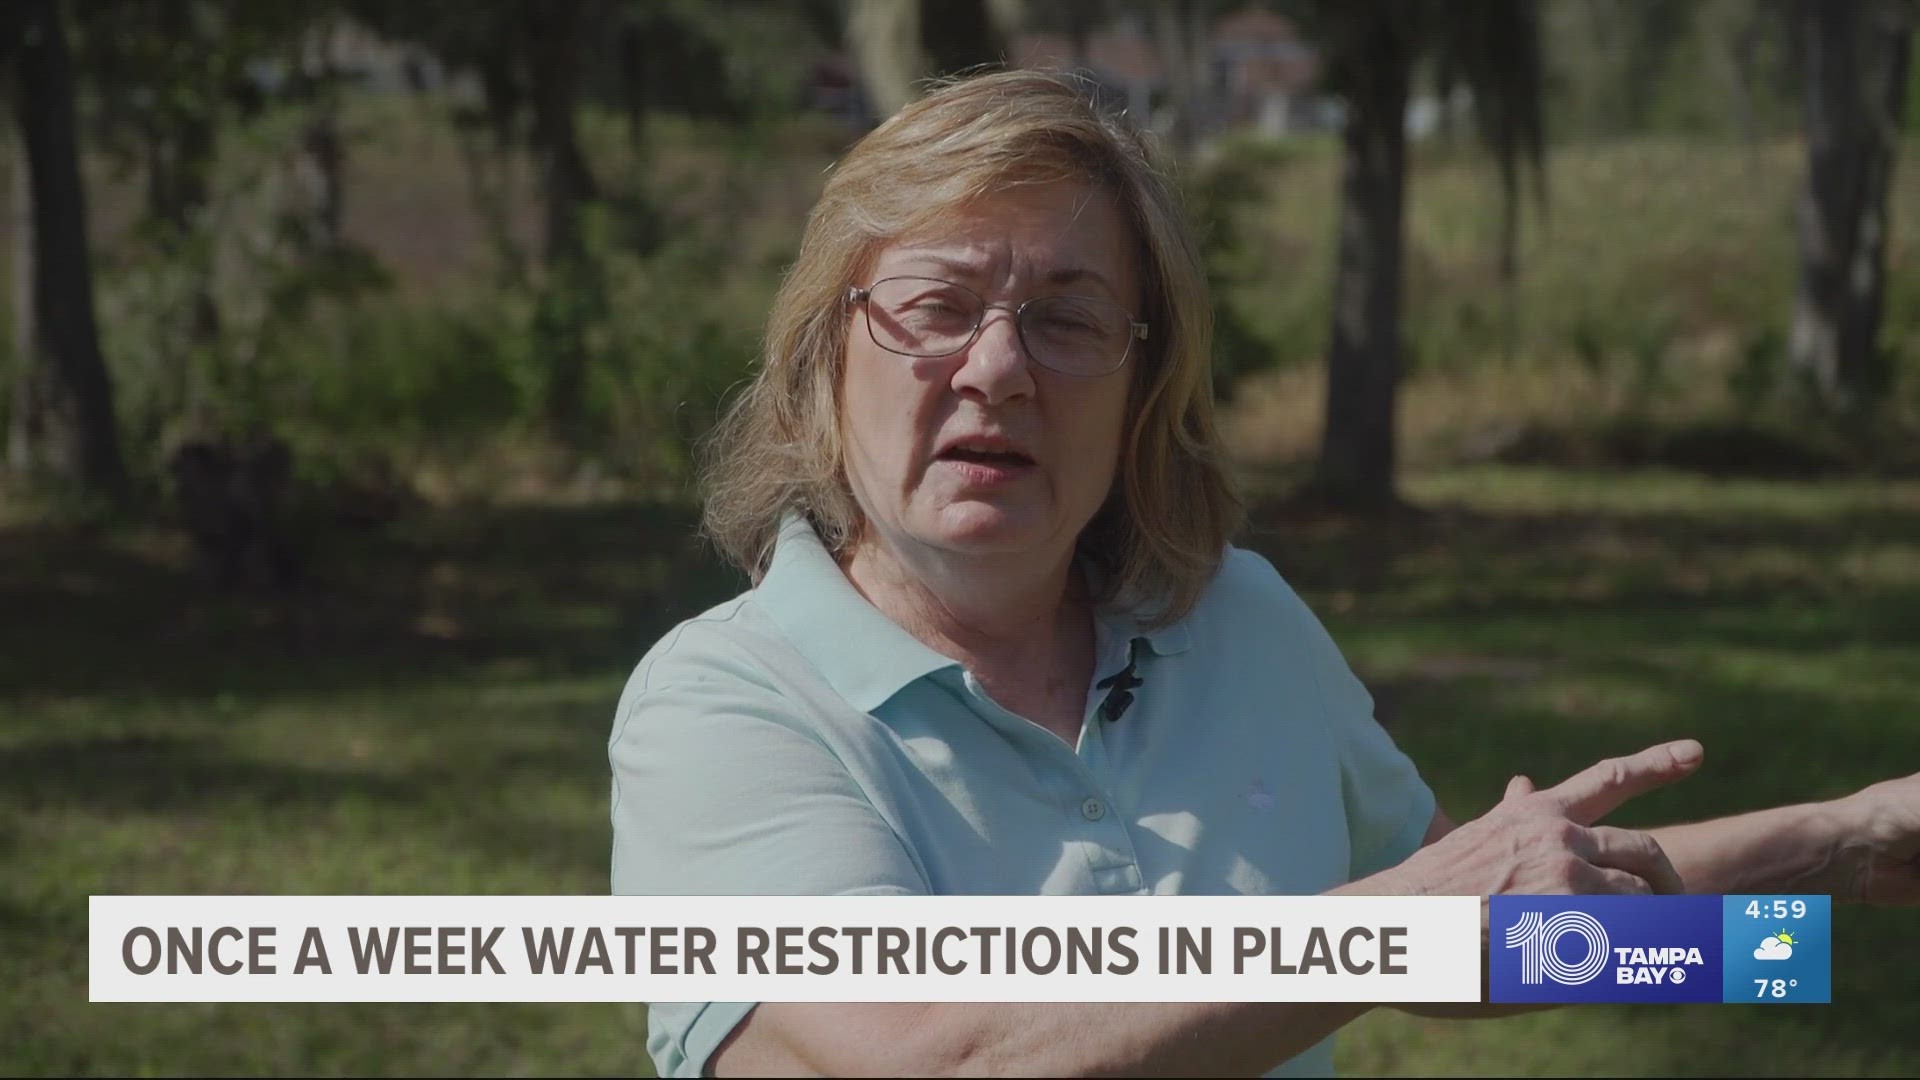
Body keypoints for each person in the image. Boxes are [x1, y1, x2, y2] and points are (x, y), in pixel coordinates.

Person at [608, 69, 1919, 1078]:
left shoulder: (1233, 618)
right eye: (939, 306)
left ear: (1143, 387)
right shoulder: (723, 706)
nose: (998, 368)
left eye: (1067, 319)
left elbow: (1479, 945)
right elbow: (938, 1053)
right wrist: (1395, 917)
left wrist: (1843, 852)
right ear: (825, 360)